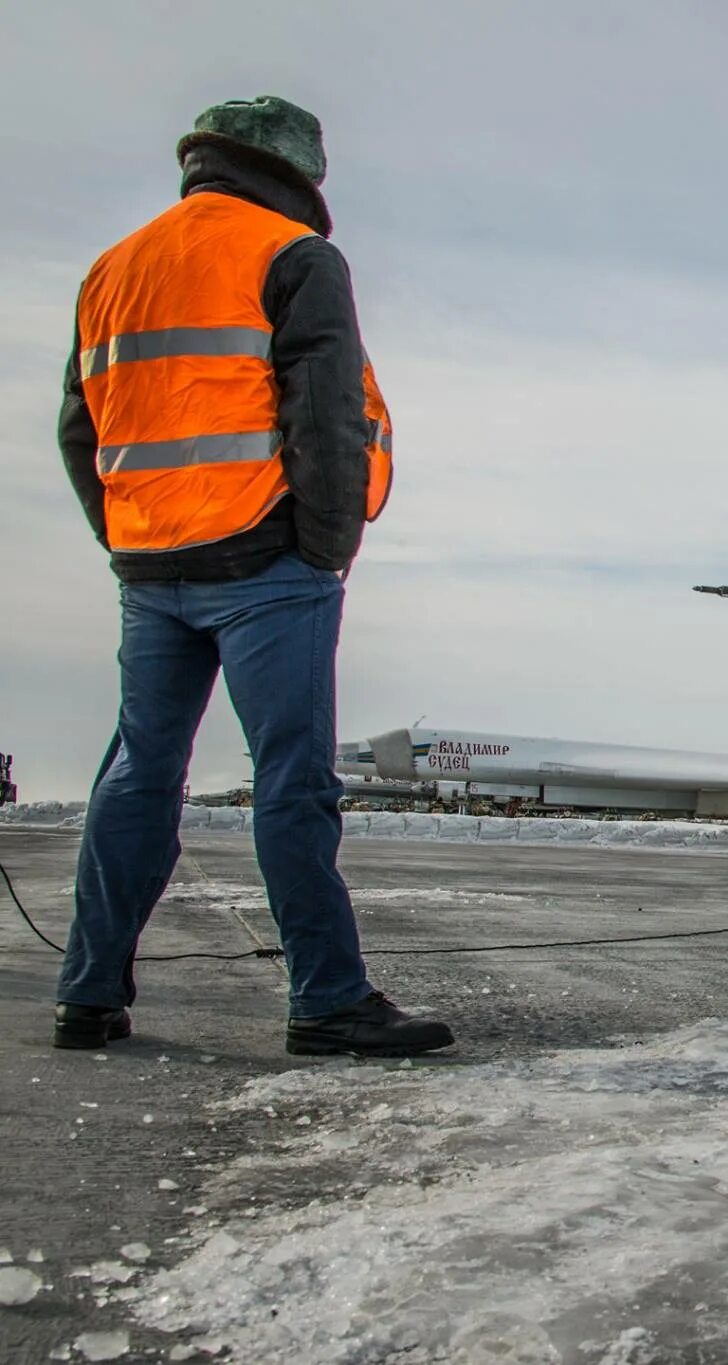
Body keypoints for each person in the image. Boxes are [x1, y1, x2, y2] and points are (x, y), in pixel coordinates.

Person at [53, 96, 451, 1057]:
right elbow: (325, 415)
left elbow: (79, 425)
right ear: (298, 174)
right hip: (267, 563)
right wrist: (323, 546)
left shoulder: (113, 268)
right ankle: (325, 998)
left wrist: (126, 536)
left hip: (150, 567)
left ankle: (87, 994)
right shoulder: (293, 256)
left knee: (138, 774)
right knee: (292, 779)